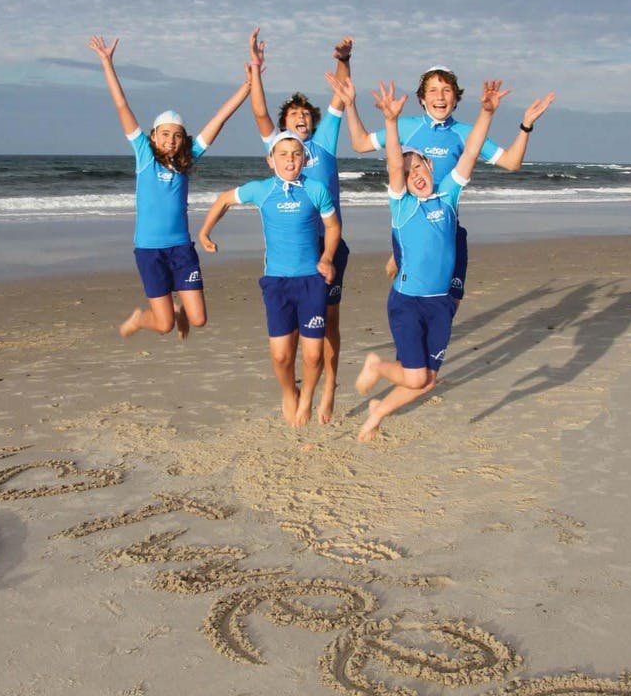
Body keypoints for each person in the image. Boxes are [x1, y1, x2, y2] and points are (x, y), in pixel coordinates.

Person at [352, 78, 508, 441]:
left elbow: (469, 153)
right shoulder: (402, 207)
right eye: (407, 174)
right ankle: (376, 365)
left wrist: (486, 113)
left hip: (440, 305)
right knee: (416, 376)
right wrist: (391, 123)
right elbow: (394, 166)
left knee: (427, 380)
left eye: (419, 168)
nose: (414, 175)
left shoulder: (449, 197)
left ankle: (377, 413)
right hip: (407, 303)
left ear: (430, 169)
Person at [327, 65, 554, 304]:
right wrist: (350, 106)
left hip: (447, 230)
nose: (440, 96)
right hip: (411, 229)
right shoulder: (406, 126)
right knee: (414, 302)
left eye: (446, 90)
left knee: (449, 304)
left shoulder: (466, 133)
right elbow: (360, 144)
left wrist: (526, 125)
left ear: (456, 99)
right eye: (433, 90)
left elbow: (511, 162)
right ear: (422, 98)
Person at [87, 34, 251, 340]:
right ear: (152, 136)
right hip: (149, 251)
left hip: (181, 249)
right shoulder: (144, 156)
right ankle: (141, 318)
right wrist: (107, 63)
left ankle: (181, 311)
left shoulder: (187, 161)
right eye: (164, 134)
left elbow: (219, 119)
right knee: (164, 326)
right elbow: (122, 105)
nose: (171, 140)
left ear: (183, 139)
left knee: (199, 319)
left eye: (177, 135)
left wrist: (247, 87)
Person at [198, 131, 341, 428]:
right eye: (283, 154)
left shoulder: (316, 189)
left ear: (304, 158)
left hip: (311, 281)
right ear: (270, 160)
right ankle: (290, 392)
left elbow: (333, 226)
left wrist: (327, 257)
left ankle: (308, 396)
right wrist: (204, 232)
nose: (290, 159)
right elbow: (225, 199)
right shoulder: (262, 190)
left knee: (313, 356)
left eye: (296, 154)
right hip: (276, 283)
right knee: (280, 356)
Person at [247, 27, 353, 424]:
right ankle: (291, 388)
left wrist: (342, 60)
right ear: (284, 125)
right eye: (294, 116)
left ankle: (328, 389)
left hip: (328, 247)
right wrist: (256, 68)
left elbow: (341, 95)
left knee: (329, 326)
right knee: (289, 337)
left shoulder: (324, 142)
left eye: (307, 115)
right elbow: (259, 112)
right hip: (289, 256)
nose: (302, 118)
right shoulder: (279, 149)